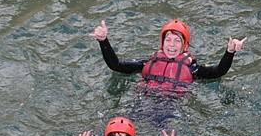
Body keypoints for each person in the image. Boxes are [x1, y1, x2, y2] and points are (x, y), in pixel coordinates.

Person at [91, 18, 245, 94]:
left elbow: (218, 72)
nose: (172, 45)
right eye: (168, 40)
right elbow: (115, 65)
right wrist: (103, 41)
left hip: (171, 109)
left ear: (184, 46)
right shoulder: (147, 64)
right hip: (144, 103)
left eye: (177, 41)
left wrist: (230, 52)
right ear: (162, 43)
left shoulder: (192, 69)